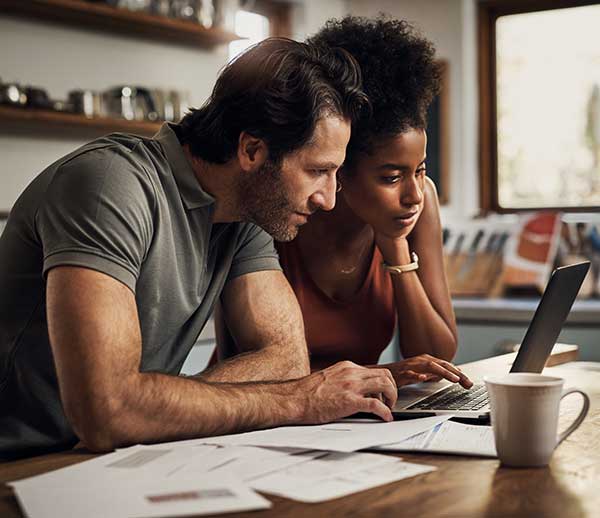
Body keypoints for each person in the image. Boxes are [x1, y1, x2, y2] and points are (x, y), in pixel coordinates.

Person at [0, 38, 399, 461]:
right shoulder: (110, 185)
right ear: (251, 150)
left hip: (103, 460)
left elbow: (285, 360)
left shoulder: (247, 212)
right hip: (18, 464)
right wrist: (299, 401)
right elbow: (108, 411)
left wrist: (149, 408)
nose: (329, 199)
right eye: (318, 171)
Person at [213, 17, 473, 390]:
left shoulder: (417, 204)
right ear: (339, 167)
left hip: (351, 420)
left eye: (420, 170)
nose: (414, 194)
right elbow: (240, 367)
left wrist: (395, 250)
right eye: (390, 177)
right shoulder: (277, 209)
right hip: (258, 419)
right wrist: (379, 375)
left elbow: (437, 355)